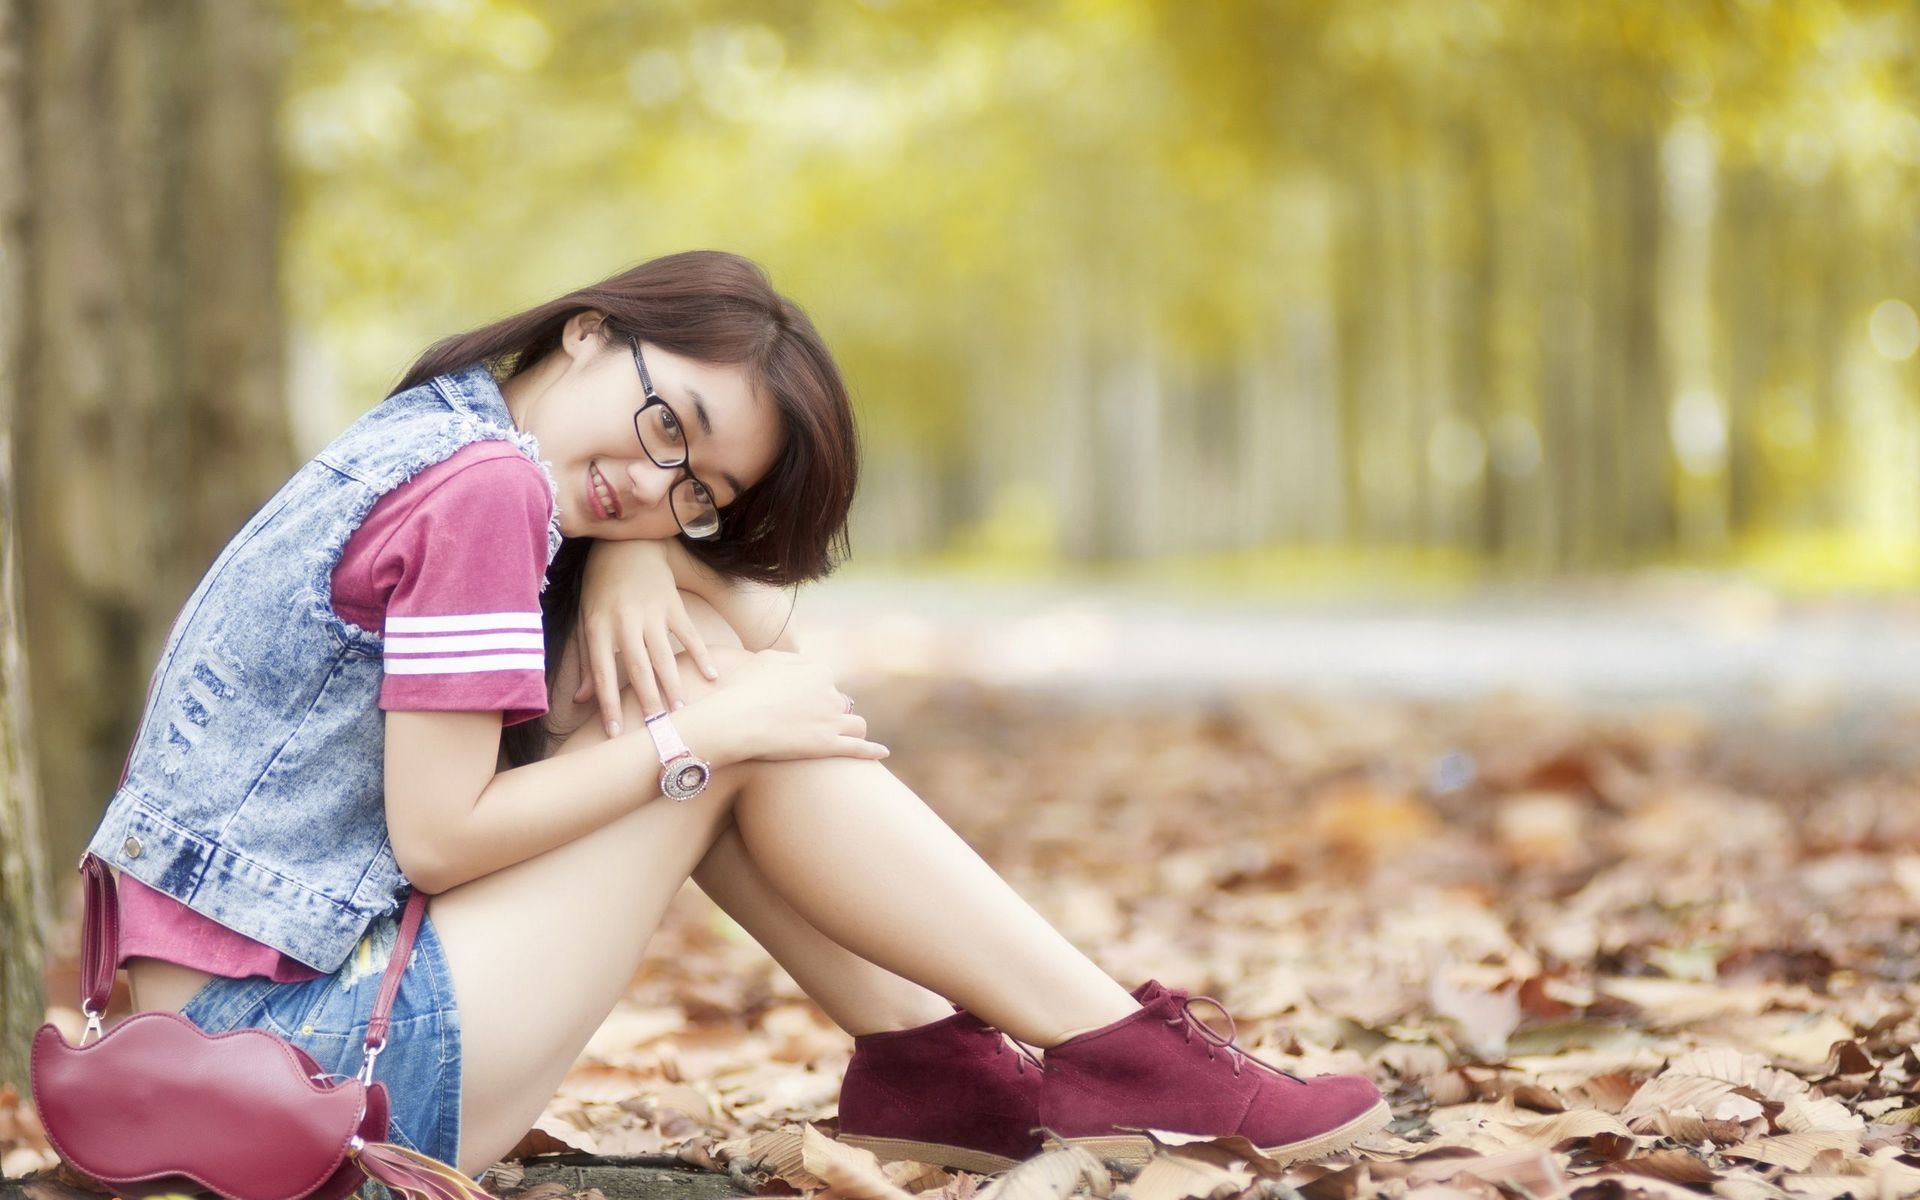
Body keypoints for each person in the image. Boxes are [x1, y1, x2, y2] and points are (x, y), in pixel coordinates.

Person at [93, 250, 1390, 1187]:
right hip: (311, 1073)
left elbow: (754, 614)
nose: (656, 481)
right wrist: (696, 737)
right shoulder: (486, 493)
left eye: (696, 489)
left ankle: (952, 1064)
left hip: (225, 1054)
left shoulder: (436, 440)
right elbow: (438, 838)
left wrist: (632, 556)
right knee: (711, 714)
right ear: (592, 331)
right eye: (671, 424)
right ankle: (1111, 1049)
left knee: (709, 684)